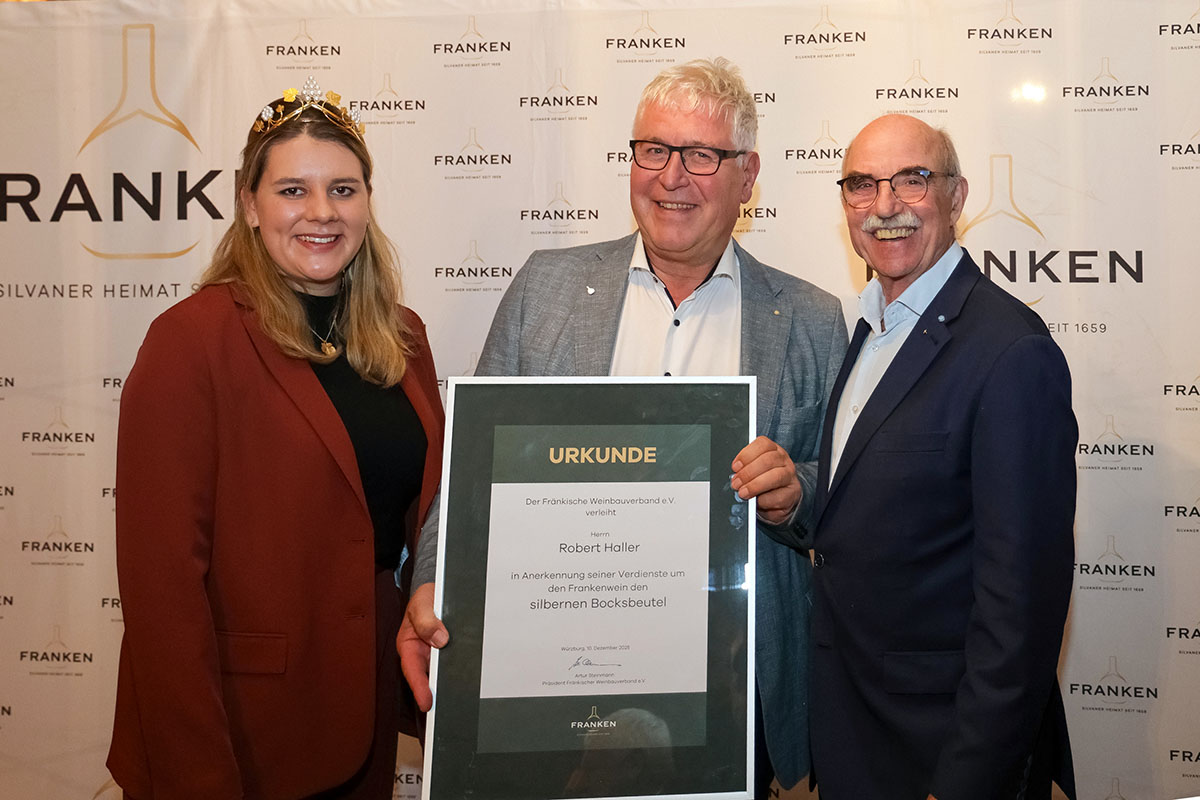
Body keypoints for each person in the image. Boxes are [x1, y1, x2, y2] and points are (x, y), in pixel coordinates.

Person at [398, 58, 848, 797]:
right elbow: (468, 472)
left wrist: (794, 491)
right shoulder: (544, 288)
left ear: (748, 175)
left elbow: (845, 493)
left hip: (728, 702)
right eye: (654, 149)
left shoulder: (810, 318)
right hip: (550, 680)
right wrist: (433, 579)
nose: (672, 177)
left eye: (701, 155)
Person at [106, 77, 444, 799]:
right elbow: (162, 587)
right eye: (293, 190)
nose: (322, 212)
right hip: (240, 734)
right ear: (250, 205)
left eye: (343, 190)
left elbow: (428, 520)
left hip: (365, 716)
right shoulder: (190, 343)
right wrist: (198, 777)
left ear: (367, 201)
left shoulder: (403, 337)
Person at [784, 113, 1077, 800]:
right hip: (858, 732)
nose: (884, 206)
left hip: (942, 753)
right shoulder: (869, 328)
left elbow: (1021, 609)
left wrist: (968, 781)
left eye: (911, 180)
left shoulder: (1010, 351)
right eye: (861, 184)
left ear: (957, 196)